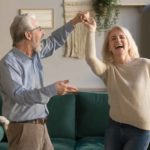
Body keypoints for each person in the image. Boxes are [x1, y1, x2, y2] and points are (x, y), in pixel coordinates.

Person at [0, 12, 87, 150]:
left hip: (41, 126)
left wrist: (74, 22)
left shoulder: (35, 54)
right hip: (24, 130)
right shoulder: (8, 64)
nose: (43, 33)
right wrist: (53, 89)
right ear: (28, 35)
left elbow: (54, 41)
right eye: (39, 29)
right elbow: (20, 95)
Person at [83, 17, 150, 150]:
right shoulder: (108, 70)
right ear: (109, 47)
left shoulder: (145, 65)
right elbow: (90, 58)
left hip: (140, 131)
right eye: (113, 38)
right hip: (114, 128)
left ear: (129, 42)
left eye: (121, 37)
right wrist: (91, 31)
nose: (118, 40)